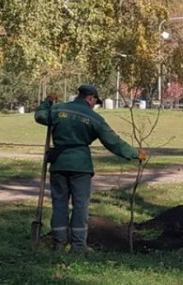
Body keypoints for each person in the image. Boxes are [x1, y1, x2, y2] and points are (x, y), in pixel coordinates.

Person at [34, 84, 147, 252]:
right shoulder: (94, 118)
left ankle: (59, 242)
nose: (94, 104)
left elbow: (40, 115)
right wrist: (134, 153)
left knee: (59, 204)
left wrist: (48, 102)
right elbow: (112, 141)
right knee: (80, 205)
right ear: (90, 98)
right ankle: (78, 245)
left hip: (58, 163)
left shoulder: (58, 110)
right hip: (81, 165)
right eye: (95, 101)